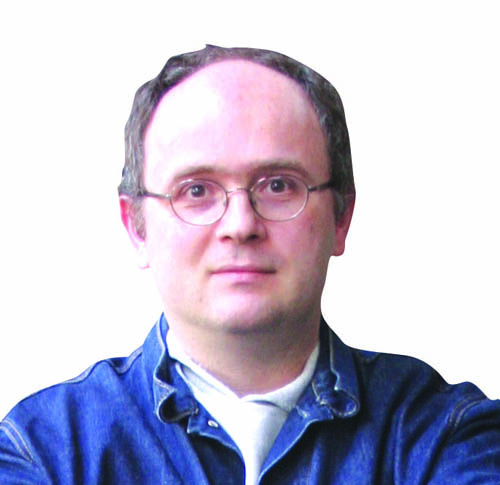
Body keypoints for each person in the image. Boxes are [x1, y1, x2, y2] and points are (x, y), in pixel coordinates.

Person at [0, 45, 499, 484]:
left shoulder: (444, 433)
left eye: (279, 185)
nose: (241, 225)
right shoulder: (42, 450)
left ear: (341, 217)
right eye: (196, 190)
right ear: (137, 227)